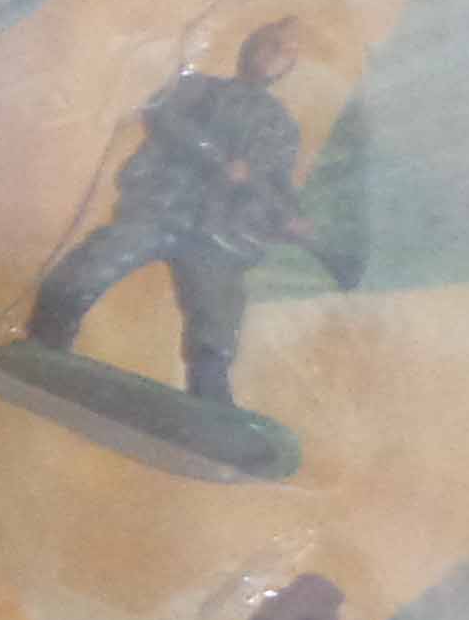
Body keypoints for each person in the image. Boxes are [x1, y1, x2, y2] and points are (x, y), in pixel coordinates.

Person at [27, 21, 310, 410]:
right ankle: (46, 336)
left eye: (287, 52)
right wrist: (216, 158)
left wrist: (291, 218)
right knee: (99, 260)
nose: (275, 56)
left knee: (217, 305)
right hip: (163, 204)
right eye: (271, 44)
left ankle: (210, 388)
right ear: (251, 43)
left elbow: (278, 182)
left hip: (218, 228)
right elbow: (164, 116)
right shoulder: (199, 88)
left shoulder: (280, 126)